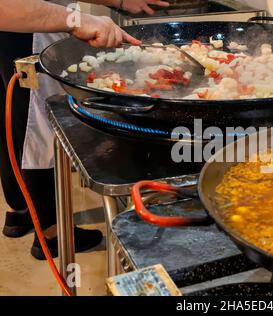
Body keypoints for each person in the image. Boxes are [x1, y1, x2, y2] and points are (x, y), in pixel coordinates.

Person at [0, 0, 169, 259]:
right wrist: (77, 20)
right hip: (27, 28)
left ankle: (19, 211)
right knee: (40, 125)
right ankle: (51, 232)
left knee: (13, 115)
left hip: (18, 26)